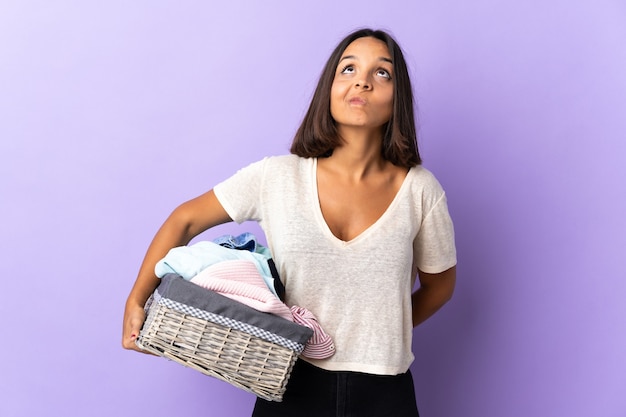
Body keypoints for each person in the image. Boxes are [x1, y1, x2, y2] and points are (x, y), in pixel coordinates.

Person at [122, 28, 457, 417]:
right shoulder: (276, 177)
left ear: (397, 99)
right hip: (288, 381)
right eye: (348, 69)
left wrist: (384, 328)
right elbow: (185, 220)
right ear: (328, 89)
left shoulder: (421, 190)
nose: (362, 80)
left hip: (385, 393)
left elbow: (440, 285)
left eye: (382, 73)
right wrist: (136, 299)